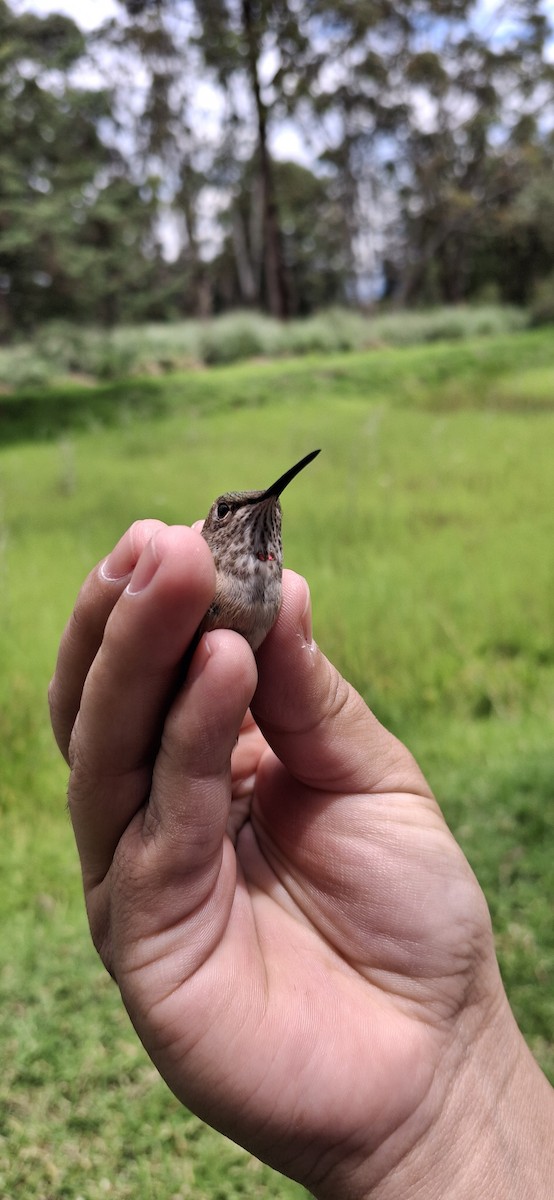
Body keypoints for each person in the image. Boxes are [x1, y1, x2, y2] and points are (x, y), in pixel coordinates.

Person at [49, 520, 554, 1199]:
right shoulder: (216, 577)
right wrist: (442, 1123)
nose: (256, 519)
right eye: (231, 512)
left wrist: (448, 1103)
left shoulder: (271, 590)